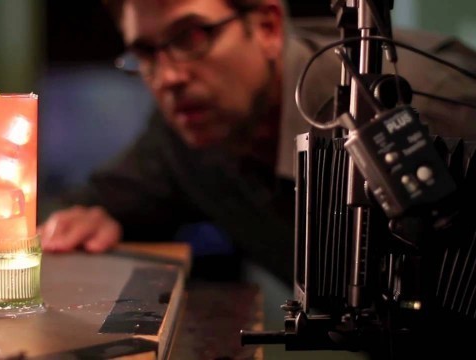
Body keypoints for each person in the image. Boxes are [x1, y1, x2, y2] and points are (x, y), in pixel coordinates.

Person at [39, 0, 476, 334]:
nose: (167, 77)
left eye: (190, 37)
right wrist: (83, 221)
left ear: (267, 27)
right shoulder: (183, 135)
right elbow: (93, 203)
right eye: (146, 53)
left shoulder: (430, 110)